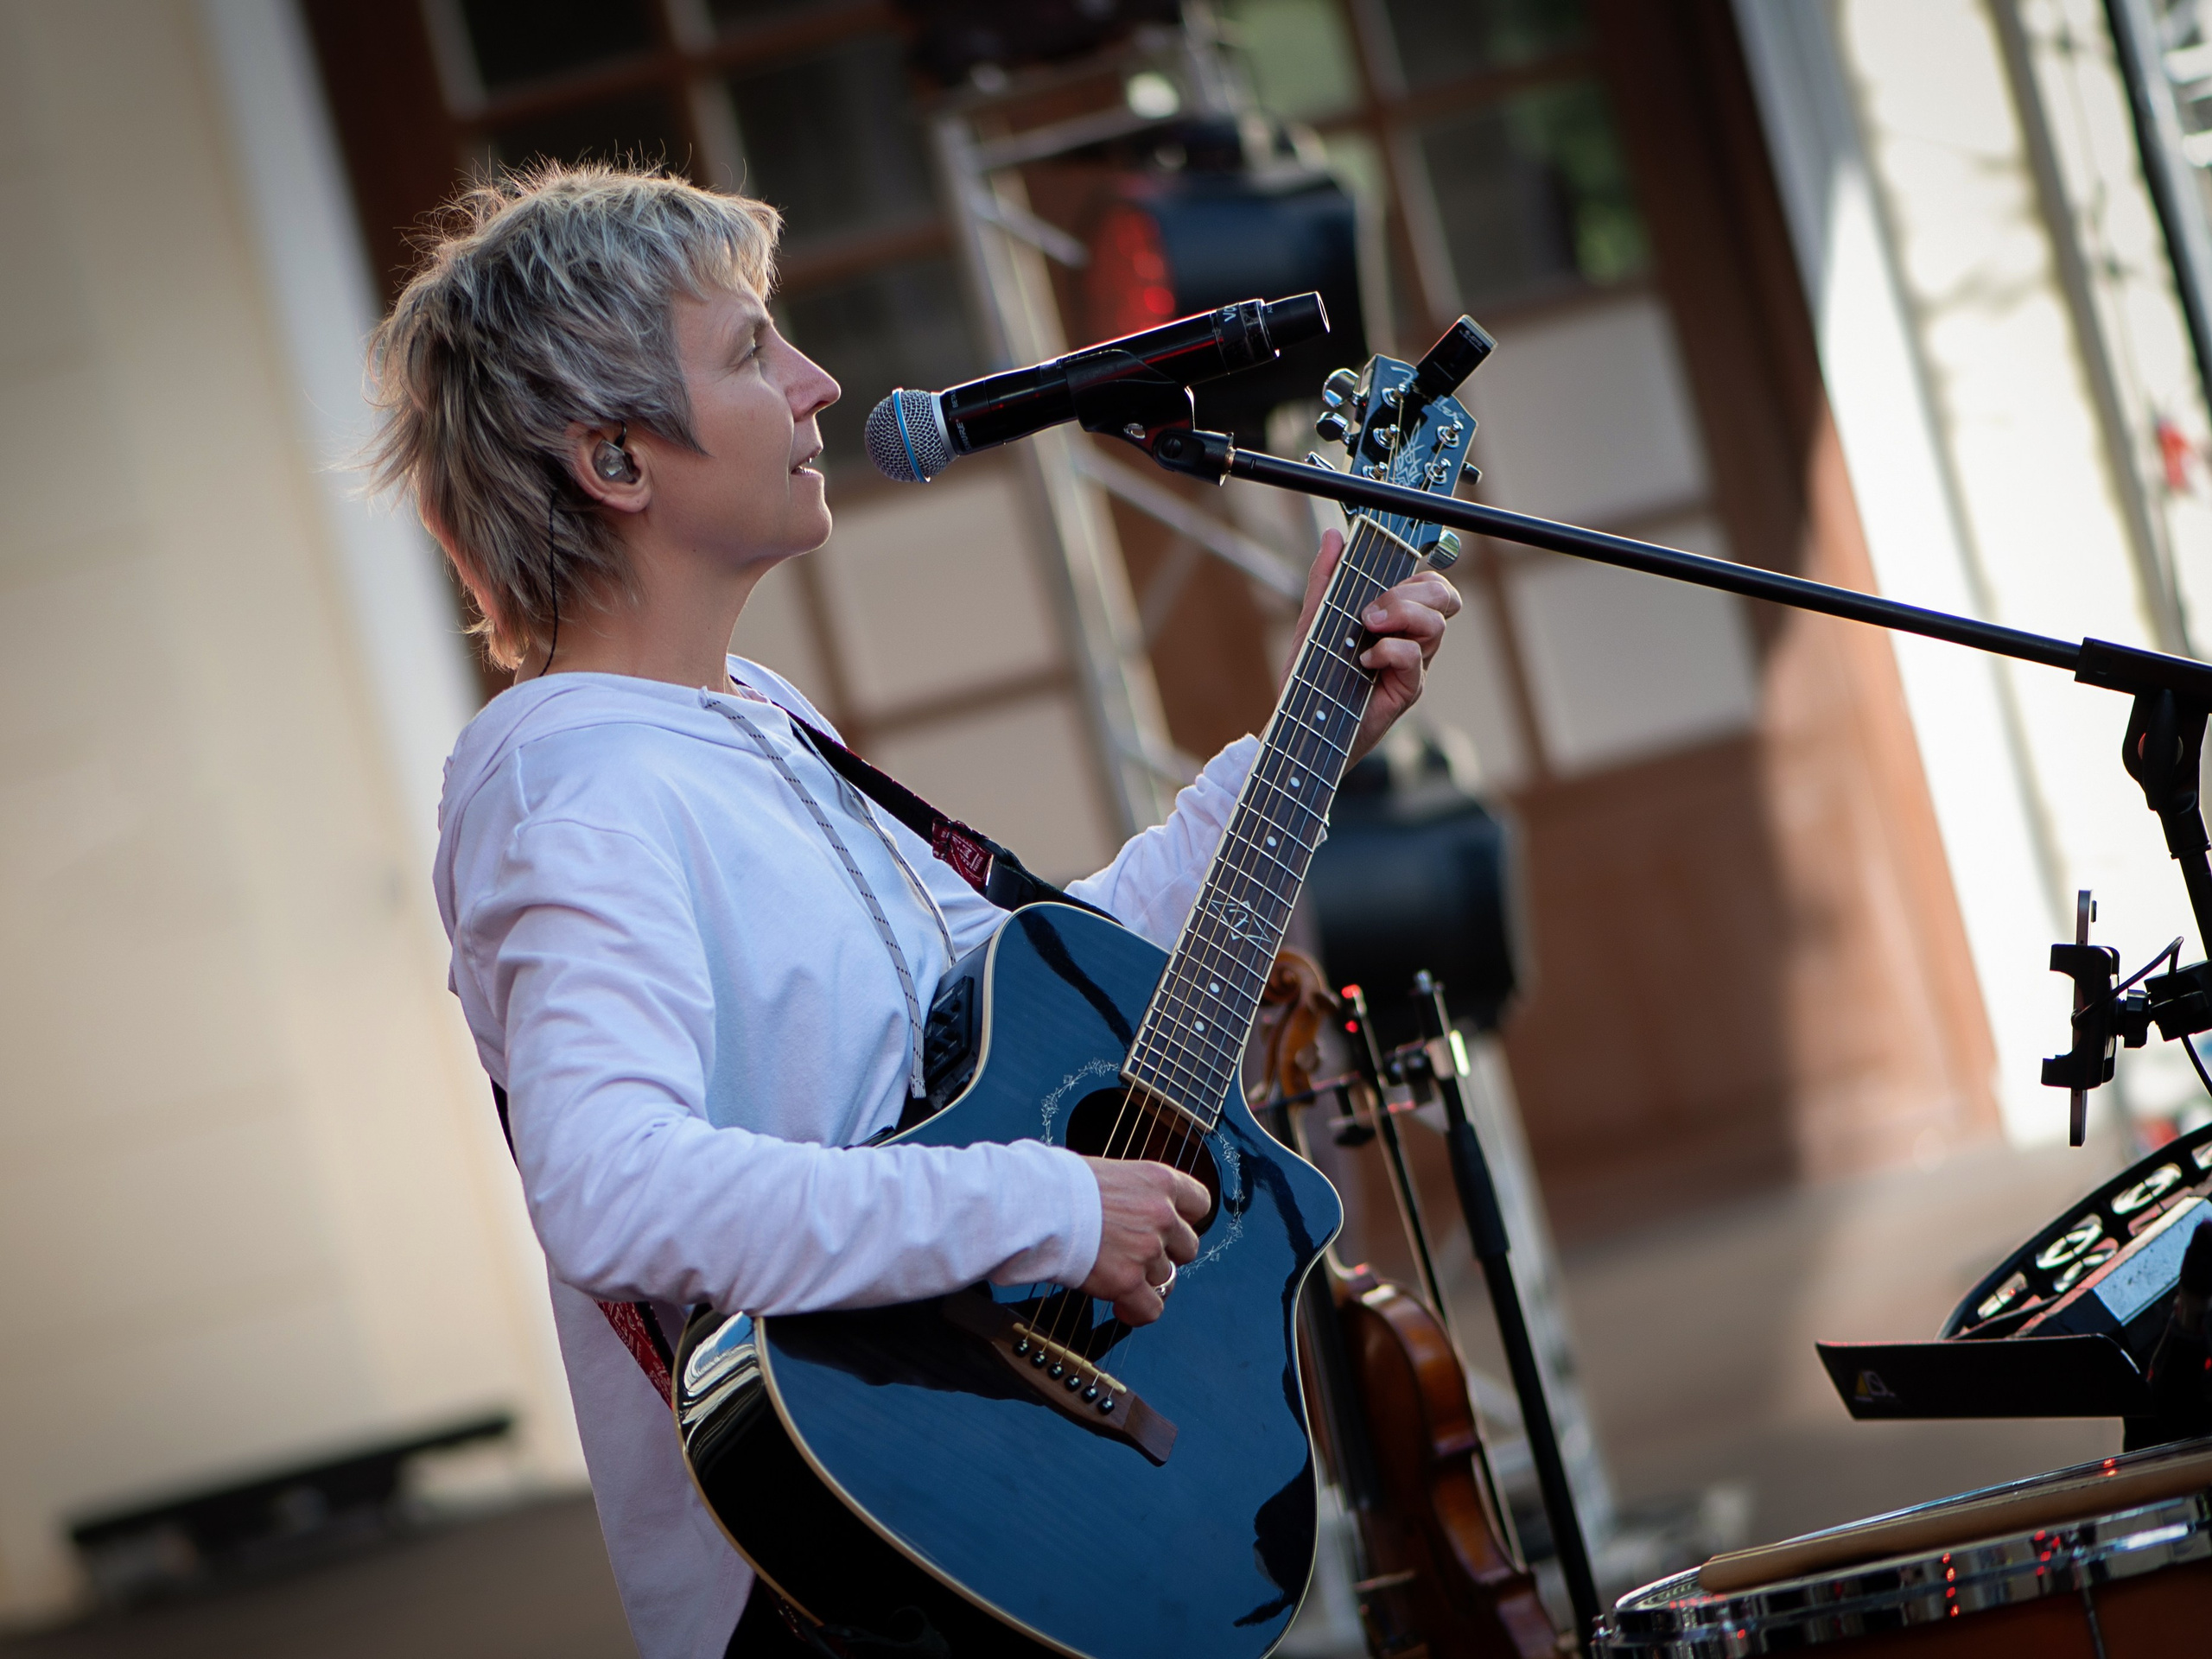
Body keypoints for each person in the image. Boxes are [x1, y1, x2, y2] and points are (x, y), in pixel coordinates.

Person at [369, 162, 1460, 1658]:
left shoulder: (746, 715)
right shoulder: (572, 790)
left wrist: (1309, 732)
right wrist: (1052, 1206)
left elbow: (1038, 992)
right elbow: (612, 1186)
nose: (820, 384)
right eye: (752, 351)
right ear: (617, 462)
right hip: (833, 1565)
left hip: (972, 1478)